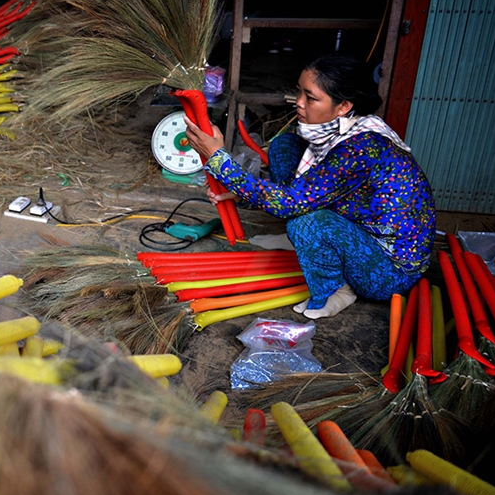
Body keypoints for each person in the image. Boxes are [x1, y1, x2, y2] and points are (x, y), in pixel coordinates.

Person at [184, 54, 436, 319]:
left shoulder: (360, 148)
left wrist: (219, 159)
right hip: (357, 224)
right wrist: (243, 195)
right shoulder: (341, 131)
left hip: (388, 271)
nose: (299, 103)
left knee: (304, 223)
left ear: (343, 106)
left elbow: (289, 202)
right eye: (299, 92)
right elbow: (312, 188)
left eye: (311, 98)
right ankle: (306, 242)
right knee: (285, 147)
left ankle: (337, 290)